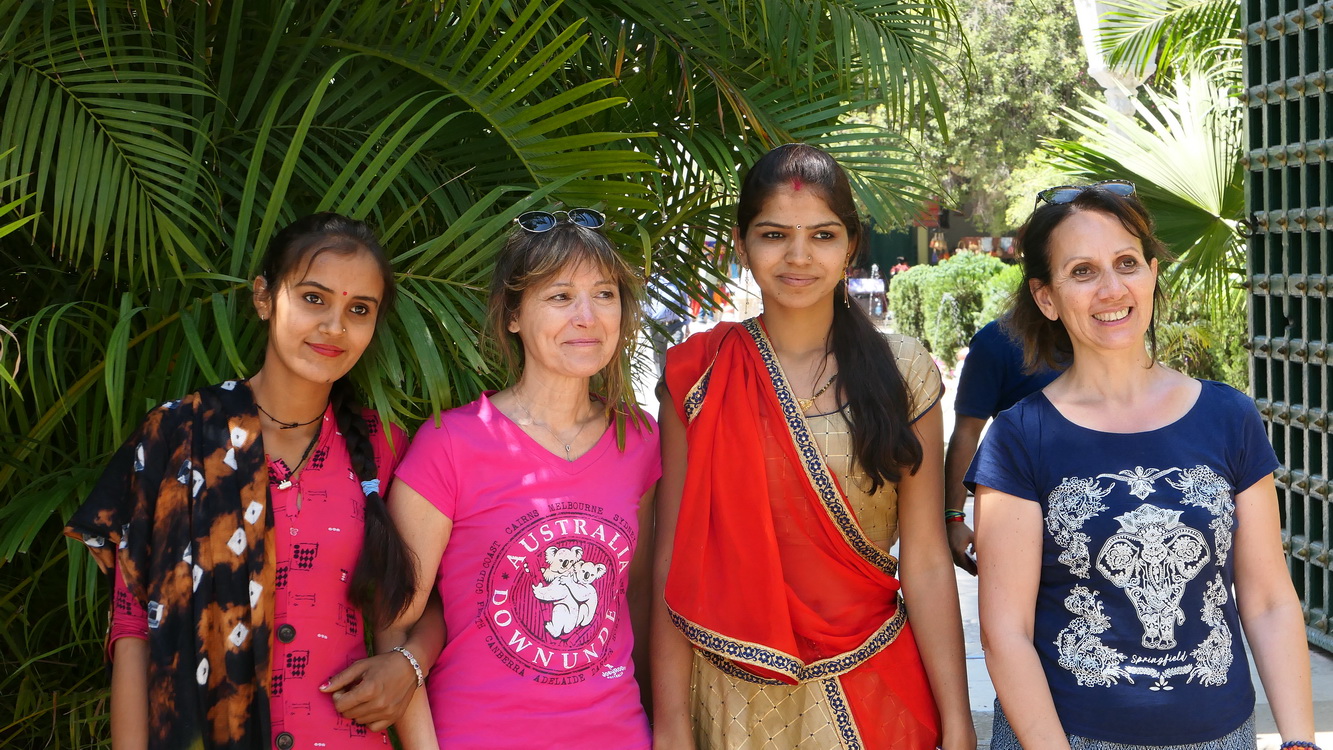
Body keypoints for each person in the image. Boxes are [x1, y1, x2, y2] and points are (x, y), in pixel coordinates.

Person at [65, 213, 439, 749]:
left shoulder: (385, 448)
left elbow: (426, 601)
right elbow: (132, 629)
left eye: (359, 310)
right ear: (264, 297)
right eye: (314, 298)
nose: (335, 326)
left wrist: (409, 663)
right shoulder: (176, 436)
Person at [967, 182, 1318, 749]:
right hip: (1069, 737)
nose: (1111, 288)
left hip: (1219, 734)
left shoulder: (1229, 417)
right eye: (1082, 271)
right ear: (1047, 297)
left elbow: (1270, 600)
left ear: (1152, 274)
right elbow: (1005, 633)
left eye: (1126, 263)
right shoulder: (1019, 437)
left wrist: (1300, 741)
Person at [652, 143, 974, 750]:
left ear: (850, 244)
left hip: (873, 687)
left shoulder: (903, 373)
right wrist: (671, 727)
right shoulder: (700, 378)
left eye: (822, 235)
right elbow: (675, 562)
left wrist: (957, 723)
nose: (798, 257)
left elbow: (927, 559)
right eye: (774, 234)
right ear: (742, 242)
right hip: (731, 696)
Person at [382, 207, 659, 749]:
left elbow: (638, 594)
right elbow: (395, 622)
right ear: (512, 314)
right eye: (560, 297)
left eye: (604, 295)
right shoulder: (450, 446)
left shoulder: (640, 441)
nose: (588, 316)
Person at [943, 317, 1057, 574]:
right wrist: (953, 517)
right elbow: (967, 431)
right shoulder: (996, 341)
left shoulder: (1099, 335)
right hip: (1022, 515)